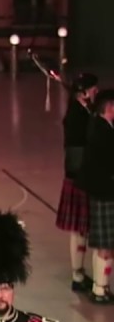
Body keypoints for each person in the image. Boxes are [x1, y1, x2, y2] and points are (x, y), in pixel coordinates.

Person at [58, 74, 99, 292]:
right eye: (93, 89)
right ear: (84, 92)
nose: (96, 93)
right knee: (79, 230)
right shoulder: (76, 117)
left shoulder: (83, 112)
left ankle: (79, 273)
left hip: (81, 176)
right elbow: (79, 149)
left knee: (81, 230)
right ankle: (77, 274)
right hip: (80, 176)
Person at [81, 89, 114, 303]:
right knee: (106, 245)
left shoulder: (99, 127)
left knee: (105, 244)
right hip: (105, 192)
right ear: (109, 108)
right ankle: (100, 289)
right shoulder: (104, 132)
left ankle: (100, 286)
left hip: (102, 191)